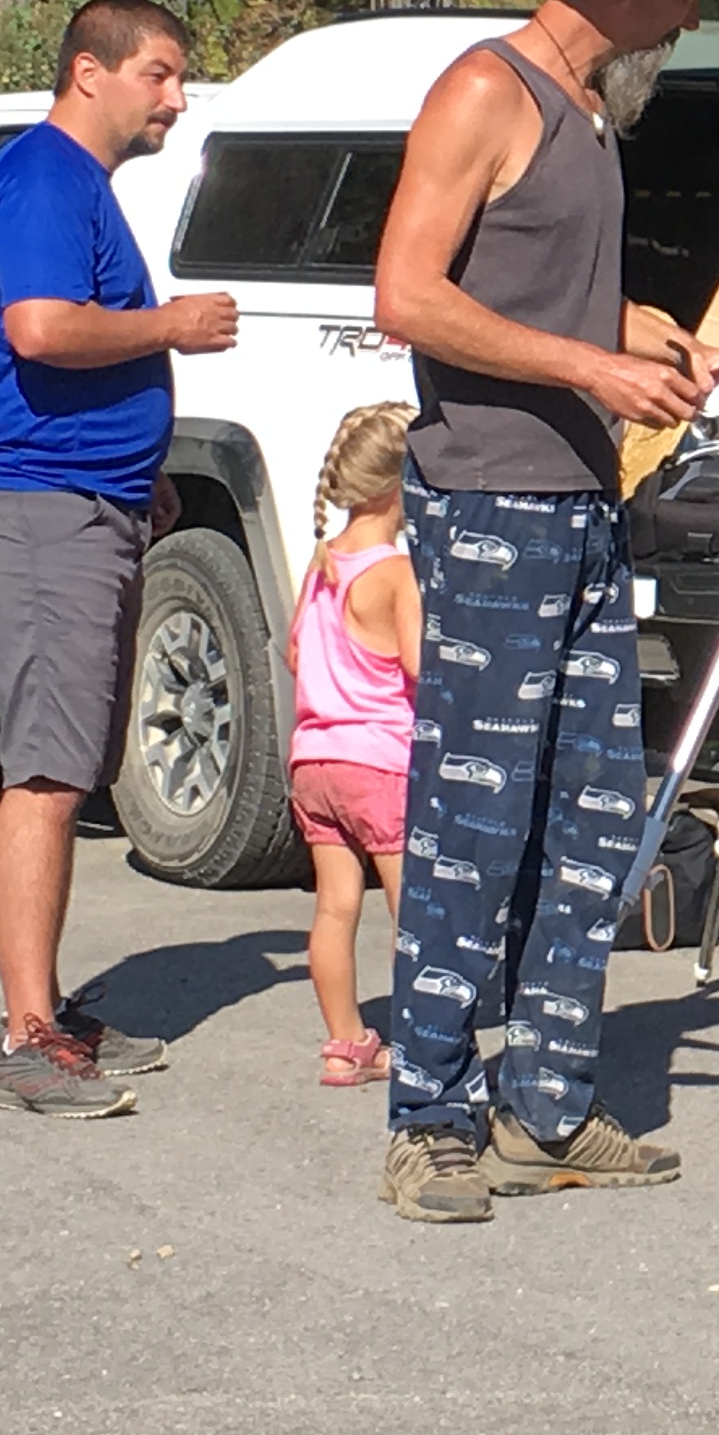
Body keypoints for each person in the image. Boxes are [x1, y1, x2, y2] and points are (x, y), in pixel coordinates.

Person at [366, 0, 719, 1223]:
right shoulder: (484, 90)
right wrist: (588, 370)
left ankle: (550, 1104)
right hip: (493, 504)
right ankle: (430, 1119)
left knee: (589, 812)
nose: (694, 13)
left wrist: (626, 326)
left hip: (583, 509)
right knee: (474, 816)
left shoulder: (586, 109)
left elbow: (523, 281)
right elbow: (407, 295)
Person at [0, 0, 240, 1116]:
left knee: (69, 762)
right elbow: (41, 328)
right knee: (49, 775)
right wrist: (171, 329)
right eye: (161, 75)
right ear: (90, 73)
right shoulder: (46, 182)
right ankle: (26, 1036)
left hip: (83, 498)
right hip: (38, 512)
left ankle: (51, 1012)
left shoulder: (77, 187)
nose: (177, 96)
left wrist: (137, 465)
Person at [291, 404, 423, 1082]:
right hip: (380, 764)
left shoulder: (323, 564)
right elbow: (418, 667)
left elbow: (294, 653)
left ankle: (346, 1045)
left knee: (335, 906)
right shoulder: (395, 572)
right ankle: (430, 1044)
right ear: (402, 484)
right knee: (415, 911)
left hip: (314, 762)